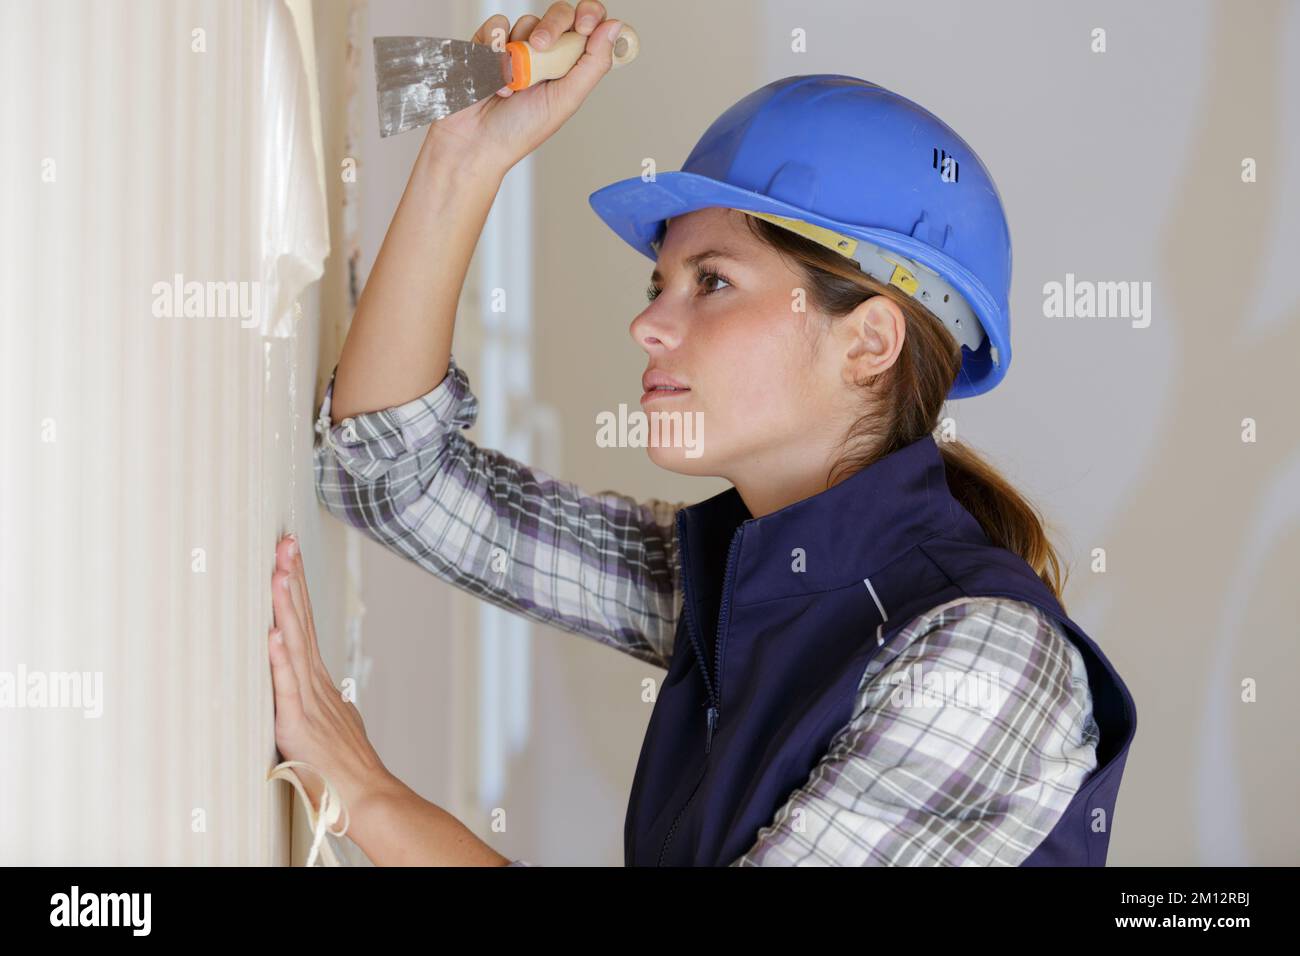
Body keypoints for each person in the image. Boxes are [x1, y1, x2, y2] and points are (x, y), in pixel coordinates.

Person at [267, 1, 1137, 866]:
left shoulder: (983, 661)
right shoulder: (739, 578)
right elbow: (389, 476)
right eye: (658, 286)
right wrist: (464, 161)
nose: (648, 326)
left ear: (869, 341)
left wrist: (369, 798)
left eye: (712, 281)